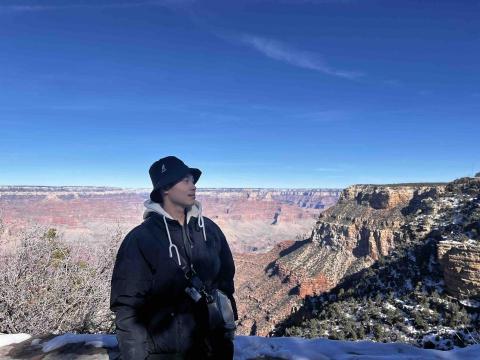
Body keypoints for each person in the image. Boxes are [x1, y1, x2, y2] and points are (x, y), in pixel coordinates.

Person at [110, 156, 237, 360]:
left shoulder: (210, 230)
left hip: (213, 350)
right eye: (185, 180)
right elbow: (128, 308)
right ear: (165, 189)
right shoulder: (140, 239)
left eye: (193, 181)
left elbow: (226, 285)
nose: (193, 186)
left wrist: (227, 337)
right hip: (165, 354)